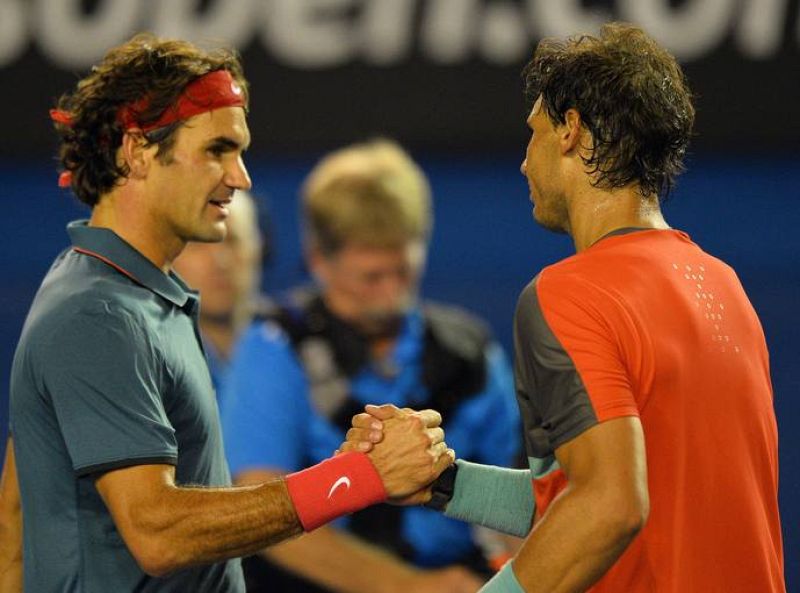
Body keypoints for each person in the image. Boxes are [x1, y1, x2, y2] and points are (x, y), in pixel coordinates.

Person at [0, 34, 453, 593]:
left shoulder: (128, 296)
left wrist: (344, 470)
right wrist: (356, 477)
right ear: (137, 151)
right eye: (218, 149)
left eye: (239, 152)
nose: (241, 177)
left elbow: (16, 513)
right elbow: (160, 533)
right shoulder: (101, 314)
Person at [344, 23, 785, 593]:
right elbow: (601, 500)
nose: (525, 164)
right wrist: (444, 483)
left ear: (570, 131)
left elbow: (609, 507)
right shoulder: (724, 286)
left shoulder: (569, 293)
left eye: (533, 133)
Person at [220, 139, 521, 593]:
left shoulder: (469, 351)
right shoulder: (274, 346)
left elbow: (520, 502)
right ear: (319, 260)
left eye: (403, 271)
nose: (392, 294)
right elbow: (262, 510)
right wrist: (406, 587)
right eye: (371, 277)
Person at [172, 190, 267, 389]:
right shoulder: (148, 362)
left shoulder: (294, 345)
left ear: (257, 250)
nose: (221, 261)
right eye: (199, 243)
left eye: (232, 240)